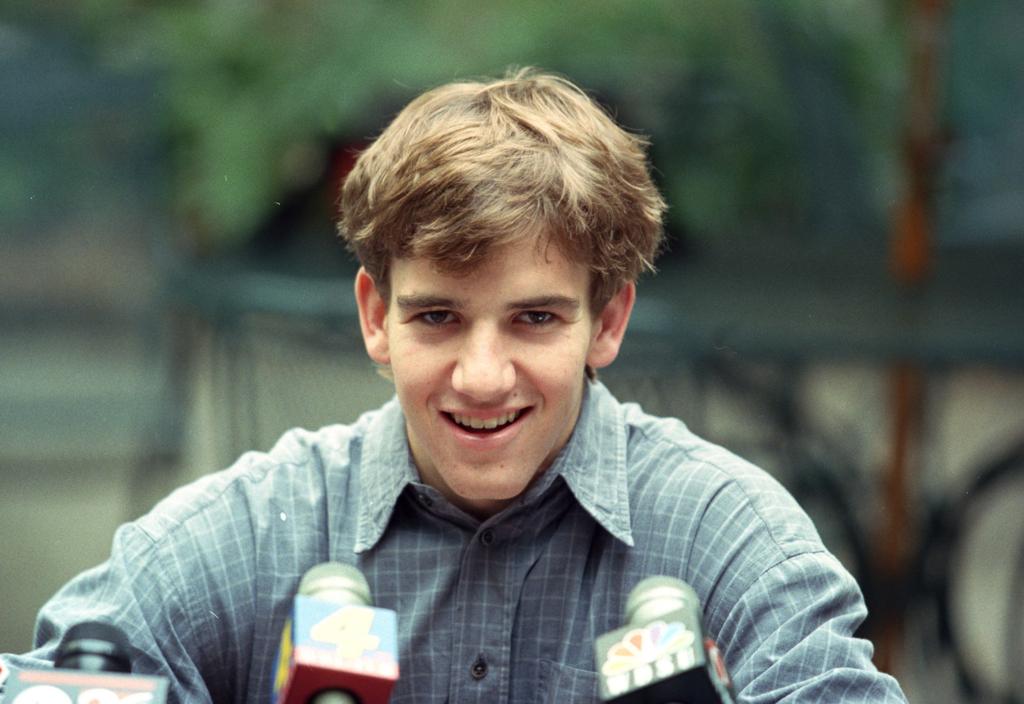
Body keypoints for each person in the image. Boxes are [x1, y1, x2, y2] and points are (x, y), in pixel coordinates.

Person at [0, 68, 907, 702]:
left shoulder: (728, 542)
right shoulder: (252, 532)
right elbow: (59, 679)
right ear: (375, 316)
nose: (481, 377)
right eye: (437, 317)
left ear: (608, 321)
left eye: (534, 318)